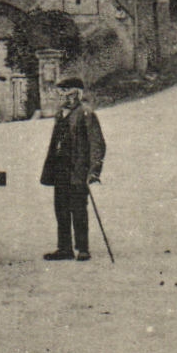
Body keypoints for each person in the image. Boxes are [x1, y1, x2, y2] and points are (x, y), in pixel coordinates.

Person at [40, 75, 105, 261]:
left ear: (77, 95)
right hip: (60, 169)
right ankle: (64, 248)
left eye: (69, 94)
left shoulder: (86, 113)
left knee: (78, 208)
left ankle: (83, 248)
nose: (65, 98)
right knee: (61, 208)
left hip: (77, 169)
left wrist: (93, 170)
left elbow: (97, 144)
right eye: (63, 94)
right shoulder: (61, 114)